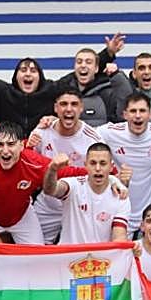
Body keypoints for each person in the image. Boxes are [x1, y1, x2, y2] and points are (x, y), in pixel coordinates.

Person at [0, 122, 79, 244]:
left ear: (22, 145)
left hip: (22, 217)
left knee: (37, 256)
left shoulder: (34, 163)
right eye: (0, 145)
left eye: (11, 144)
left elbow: (70, 172)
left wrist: (94, 171)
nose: (5, 151)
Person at [28, 89, 104, 242]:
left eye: (74, 104)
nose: (69, 109)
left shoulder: (93, 138)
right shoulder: (41, 132)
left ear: (81, 108)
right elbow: (28, 165)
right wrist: (28, 146)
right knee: (35, 252)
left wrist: (118, 185)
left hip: (80, 207)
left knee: (81, 255)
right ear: (56, 108)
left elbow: (105, 172)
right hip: (48, 205)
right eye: (63, 104)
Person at [97, 91, 151, 220]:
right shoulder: (109, 132)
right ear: (124, 114)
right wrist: (55, 122)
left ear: (150, 114)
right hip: (121, 211)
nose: (137, 116)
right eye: (133, 111)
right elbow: (81, 133)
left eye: (142, 111)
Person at [42, 144, 130, 244]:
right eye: (93, 163)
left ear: (111, 167)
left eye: (103, 163)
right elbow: (50, 190)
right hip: (69, 257)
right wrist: (53, 169)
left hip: (99, 258)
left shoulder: (120, 196)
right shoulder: (73, 185)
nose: (97, 168)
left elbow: (119, 237)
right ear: (85, 165)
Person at [57, 47, 132, 126]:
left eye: (88, 62)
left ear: (96, 68)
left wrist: (117, 76)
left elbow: (124, 114)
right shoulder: (62, 89)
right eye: (79, 62)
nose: (83, 65)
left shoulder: (107, 91)